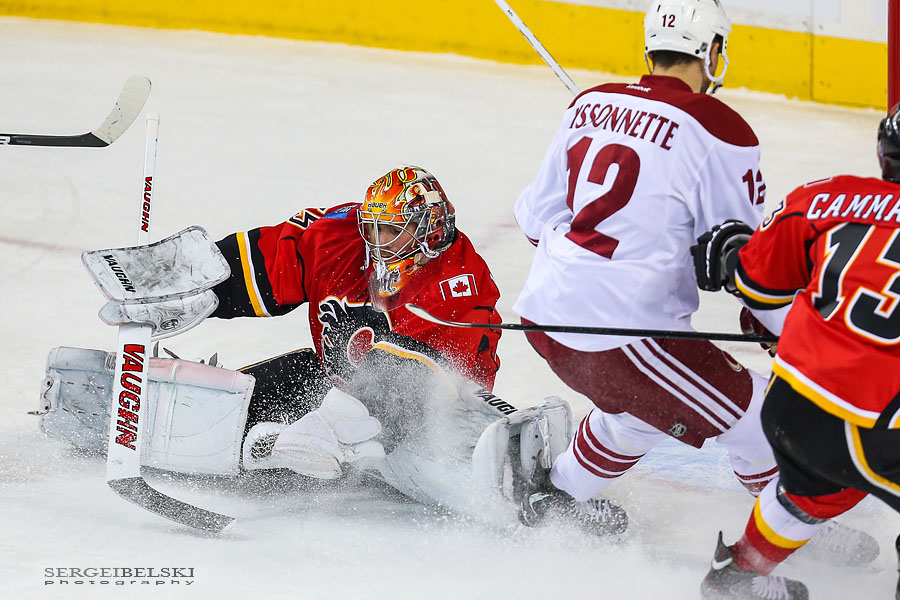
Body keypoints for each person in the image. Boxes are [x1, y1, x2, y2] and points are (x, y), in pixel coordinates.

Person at [38, 165, 614, 530]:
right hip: (329, 382)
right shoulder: (345, 236)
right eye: (373, 230)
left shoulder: (461, 278)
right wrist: (195, 287)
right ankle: (146, 415)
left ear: (430, 227)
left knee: (411, 437)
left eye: (393, 233)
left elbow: (453, 378)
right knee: (244, 422)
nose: (377, 243)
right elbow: (274, 258)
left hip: (426, 415)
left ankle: (549, 499)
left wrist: (378, 353)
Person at [510, 0, 876, 569]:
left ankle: (557, 495)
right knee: (757, 417)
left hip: (543, 317)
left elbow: (535, 220)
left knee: (643, 409)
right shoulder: (719, 126)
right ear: (710, 51)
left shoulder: (588, 104)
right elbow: (744, 262)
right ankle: (797, 541)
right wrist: (774, 323)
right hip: (625, 334)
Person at [692, 104, 900, 599]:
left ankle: (737, 576)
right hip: (875, 420)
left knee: (819, 484)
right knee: (843, 466)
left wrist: (730, 254)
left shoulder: (825, 199)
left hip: (793, 403)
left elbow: (757, 285)